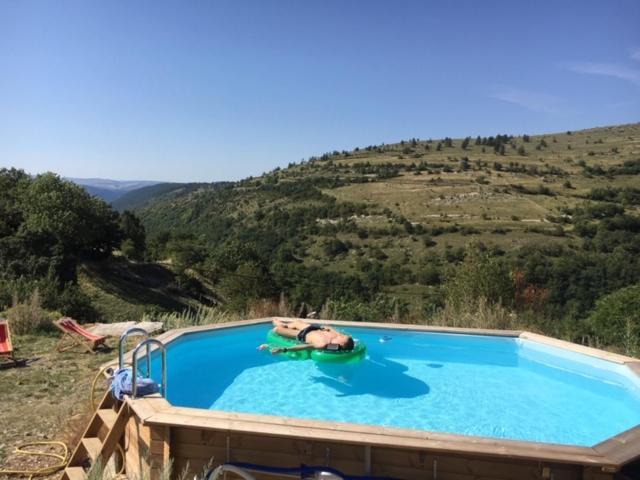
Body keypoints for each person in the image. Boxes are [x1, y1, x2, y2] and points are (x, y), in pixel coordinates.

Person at [259, 318, 355, 355]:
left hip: (302, 335)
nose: (341, 336)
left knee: (277, 329)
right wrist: (322, 327)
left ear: (341, 344)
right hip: (312, 328)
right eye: (343, 336)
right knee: (297, 322)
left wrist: (284, 349)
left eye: (342, 338)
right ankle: (284, 324)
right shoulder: (337, 335)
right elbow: (329, 327)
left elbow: (305, 347)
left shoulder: (325, 345)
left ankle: (279, 324)